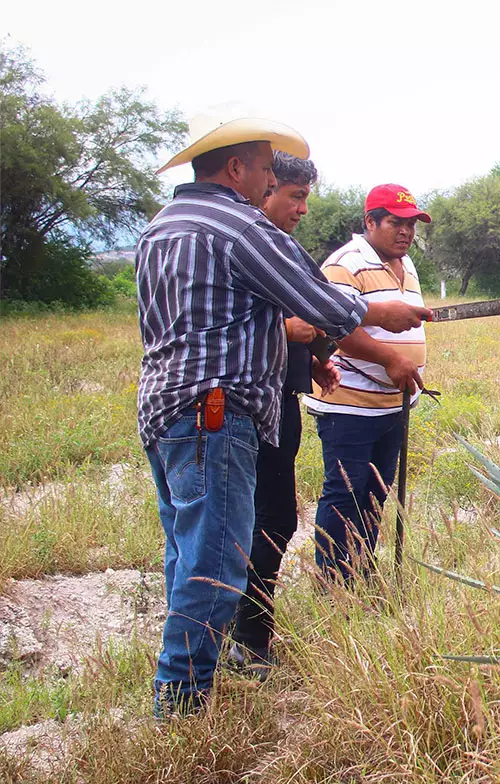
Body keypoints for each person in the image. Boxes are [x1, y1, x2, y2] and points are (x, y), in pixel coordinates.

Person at [137, 113, 430, 717]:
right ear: (237, 168)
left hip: (165, 409)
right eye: (267, 173)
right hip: (213, 414)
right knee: (218, 560)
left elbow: (221, 320)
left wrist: (307, 352)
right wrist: (376, 312)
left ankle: (188, 685)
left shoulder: (164, 225)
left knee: (187, 553)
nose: (269, 187)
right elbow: (316, 299)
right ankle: (181, 707)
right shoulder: (236, 226)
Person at [227, 152, 333, 676]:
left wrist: (311, 359)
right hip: (241, 407)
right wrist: (289, 328)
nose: (302, 209)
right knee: (260, 519)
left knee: (264, 518)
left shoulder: (280, 248)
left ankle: (242, 633)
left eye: (305, 197)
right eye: (294, 195)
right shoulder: (243, 242)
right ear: (264, 188)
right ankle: (246, 640)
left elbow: (311, 315)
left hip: (279, 401)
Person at [301, 185, 430, 582]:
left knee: (375, 493)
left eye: (410, 224)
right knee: (345, 491)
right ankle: (333, 583)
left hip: (393, 403)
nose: (405, 232)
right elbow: (334, 324)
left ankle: (361, 572)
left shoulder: (406, 265)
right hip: (349, 404)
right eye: (395, 222)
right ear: (370, 222)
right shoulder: (346, 263)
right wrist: (390, 358)